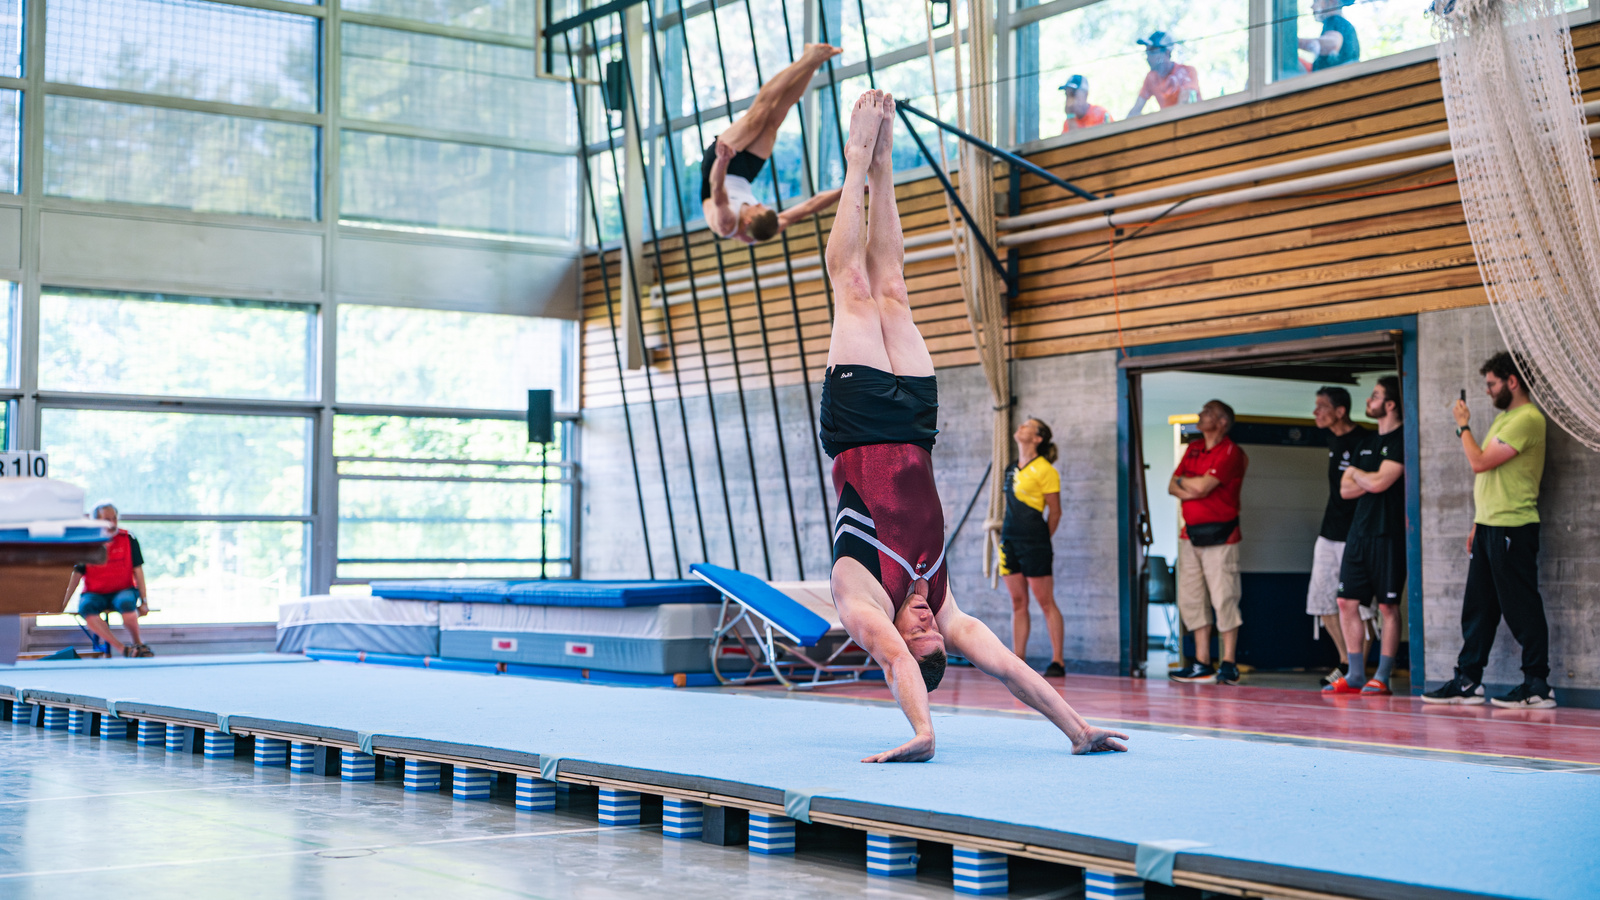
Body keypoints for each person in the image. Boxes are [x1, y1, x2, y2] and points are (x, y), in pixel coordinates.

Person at [820, 88, 1127, 761]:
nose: (929, 617)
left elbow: (900, 664)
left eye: (918, 627)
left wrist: (924, 733)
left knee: (852, 282)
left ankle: (855, 161)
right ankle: (886, 165)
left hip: (858, 427)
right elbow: (1011, 670)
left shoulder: (862, 602)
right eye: (936, 631)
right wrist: (1078, 731)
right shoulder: (947, 605)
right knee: (894, 285)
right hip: (917, 424)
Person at [1424, 353, 1554, 708]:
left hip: (1513, 526)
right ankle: (1468, 680)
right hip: (1489, 526)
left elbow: (1480, 462)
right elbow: (1493, 477)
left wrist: (1462, 426)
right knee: (1479, 607)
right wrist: (1477, 525)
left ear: (1512, 381)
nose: (1488, 391)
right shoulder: (1505, 419)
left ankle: (1537, 685)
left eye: (1492, 384)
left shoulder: (1527, 419)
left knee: (1521, 607)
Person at [702, 43, 847, 244]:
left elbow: (716, 188)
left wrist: (723, 159)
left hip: (718, 168)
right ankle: (815, 62)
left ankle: (806, 59)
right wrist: (846, 189)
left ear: (749, 220)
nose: (760, 203)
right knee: (776, 117)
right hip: (745, 176)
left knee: (759, 115)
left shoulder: (726, 222)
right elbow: (808, 207)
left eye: (760, 207)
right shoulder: (767, 226)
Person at [1325, 377, 1405, 696]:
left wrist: (1362, 477)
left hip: (1388, 533)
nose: (1368, 401)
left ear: (1389, 404)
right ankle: (1356, 673)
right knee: (1345, 601)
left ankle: (1382, 676)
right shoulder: (1365, 443)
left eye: (1374, 396)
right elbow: (1346, 489)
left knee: (1387, 607)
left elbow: (1381, 484)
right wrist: (1366, 477)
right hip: (1358, 533)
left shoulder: (1402, 439)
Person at [1167, 400, 1248, 685]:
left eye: (1207, 413)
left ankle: (1228, 663)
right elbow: (1171, 484)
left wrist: (1190, 485)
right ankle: (1202, 662)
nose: (1200, 416)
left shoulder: (1231, 452)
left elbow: (1201, 486)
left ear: (1222, 420)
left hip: (1221, 537)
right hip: (1190, 535)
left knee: (1223, 596)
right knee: (1192, 598)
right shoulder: (1193, 448)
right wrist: (1193, 487)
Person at [1307, 386, 1372, 686]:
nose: (1315, 412)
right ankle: (1346, 662)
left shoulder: (1364, 440)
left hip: (1355, 534)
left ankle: (1359, 667)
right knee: (1322, 602)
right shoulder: (1331, 439)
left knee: (1358, 604)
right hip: (1328, 532)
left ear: (1341, 411)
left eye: (1321, 406)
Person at [1001, 418, 1065, 677]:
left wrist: (1040, 539)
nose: (1022, 427)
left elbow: (1056, 512)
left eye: (1029, 425)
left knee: (1045, 602)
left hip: (1035, 543)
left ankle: (1057, 661)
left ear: (1038, 438)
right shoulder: (1010, 468)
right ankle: (1019, 658)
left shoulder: (1046, 470)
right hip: (1009, 541)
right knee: (1018, 602)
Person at [62, 503, 154, 658]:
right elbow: (76, 576)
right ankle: (122, 649)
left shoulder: (128, 539)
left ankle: (138, 643)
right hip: (95, 593)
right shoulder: (86, 543)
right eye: (107, 519)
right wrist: (62, 603)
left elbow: (138, 572)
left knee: (126, 604)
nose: (112, 523)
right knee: (86, 607)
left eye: (114, 519)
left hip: (123, 590)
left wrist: (144, 601)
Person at [1126, 31, 1202, 118]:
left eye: (1152, 52)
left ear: (1167, 53)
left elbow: (1184, 105)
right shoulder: (1151, 77)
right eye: (1147, 53)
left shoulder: (1187, 71)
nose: (1148, 57)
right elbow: (1136, 109)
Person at [1299, 0, 1360, 71]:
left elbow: (1332, 45)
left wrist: (1294, 42)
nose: (1312, 6)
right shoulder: (1342, 24)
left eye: (1316, 1)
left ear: (1332, 1)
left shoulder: (1335, 20)